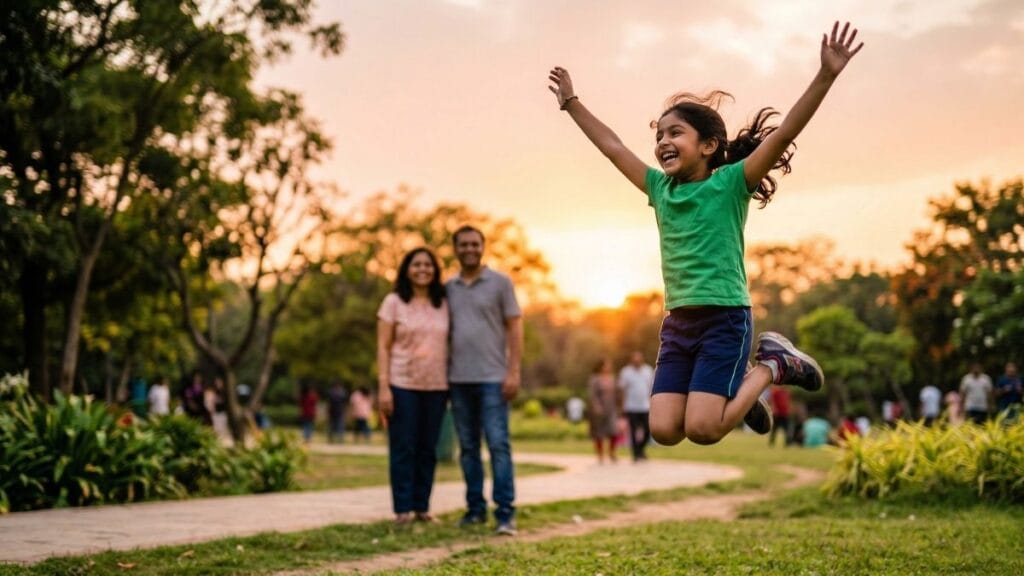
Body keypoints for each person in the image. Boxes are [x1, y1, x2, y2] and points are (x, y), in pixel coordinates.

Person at [547, 21, 863, 446]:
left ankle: (774, 366)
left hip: (724, 318)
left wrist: (825, 76)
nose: (662, 142)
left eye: (675, 132)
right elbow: (613, 147)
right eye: (659, 135)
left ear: (709, 145)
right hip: (678, 321)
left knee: (703, 429)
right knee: (662, 429)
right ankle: (742, 384)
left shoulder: (732, 183)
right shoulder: (660, 188)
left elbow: (786, 130)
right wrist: (571, 103)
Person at [446, 225, 523, 536]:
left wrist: (513, 371)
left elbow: (515, 328)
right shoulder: (447, 287)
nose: (469, 249)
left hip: (493, 378)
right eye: (463, 244)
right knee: (467, 448)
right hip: (457, 379)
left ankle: (505, 513)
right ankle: (475, 509)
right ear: (455, 248)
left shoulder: (501, 283)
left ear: (483, 247)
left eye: (474, 244)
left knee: (498, 445)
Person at [377, 247, 450, 525]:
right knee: (403, 447)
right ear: (407, 269)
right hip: (402, 383)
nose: (423, 269)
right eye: (417, 264)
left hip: (437, 386)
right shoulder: (393, 302)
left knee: (427, 448)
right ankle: (402, 509)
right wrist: (384, 387)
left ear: (435, 270)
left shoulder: (443, 303)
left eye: (428, 265)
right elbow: (383, 347)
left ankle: (422, 506)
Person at [618, 351, 654, 461]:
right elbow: (622, 390)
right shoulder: (625, 372)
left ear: (642, 359)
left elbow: (651, 388)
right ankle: (636, 454)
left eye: (639, 359)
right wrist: (622, 406)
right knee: (633, 431)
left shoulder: (648, 370)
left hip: (645, 406)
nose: (637, 361)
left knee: (648, 430)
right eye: (635, 359)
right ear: (632, 360)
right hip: (631, 406)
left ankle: (640, 450)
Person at [588, 359, 620, 464]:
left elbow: (617, 393)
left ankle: (612, 452)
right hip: (599, 410)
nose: (608, 367)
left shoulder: (612, 378)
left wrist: (619, 406)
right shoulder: (595, 379)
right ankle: (600, 455)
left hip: (611, 409)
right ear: (601, 367)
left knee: (614, 431)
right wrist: (596, 406)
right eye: (606, 365)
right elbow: (592, 394)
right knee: (599, 433)